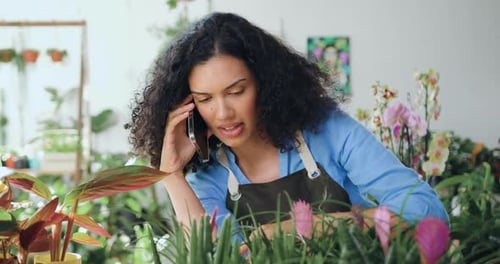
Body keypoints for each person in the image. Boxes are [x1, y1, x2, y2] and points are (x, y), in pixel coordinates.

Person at [128, 12, 448, 240]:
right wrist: (170, 175)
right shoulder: (209, 173)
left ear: (265, 85)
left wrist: (280, 230)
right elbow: (218, 255)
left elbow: (427, 212)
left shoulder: (329, 132)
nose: (223, 112)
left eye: (236, 91)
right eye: (205, 99)